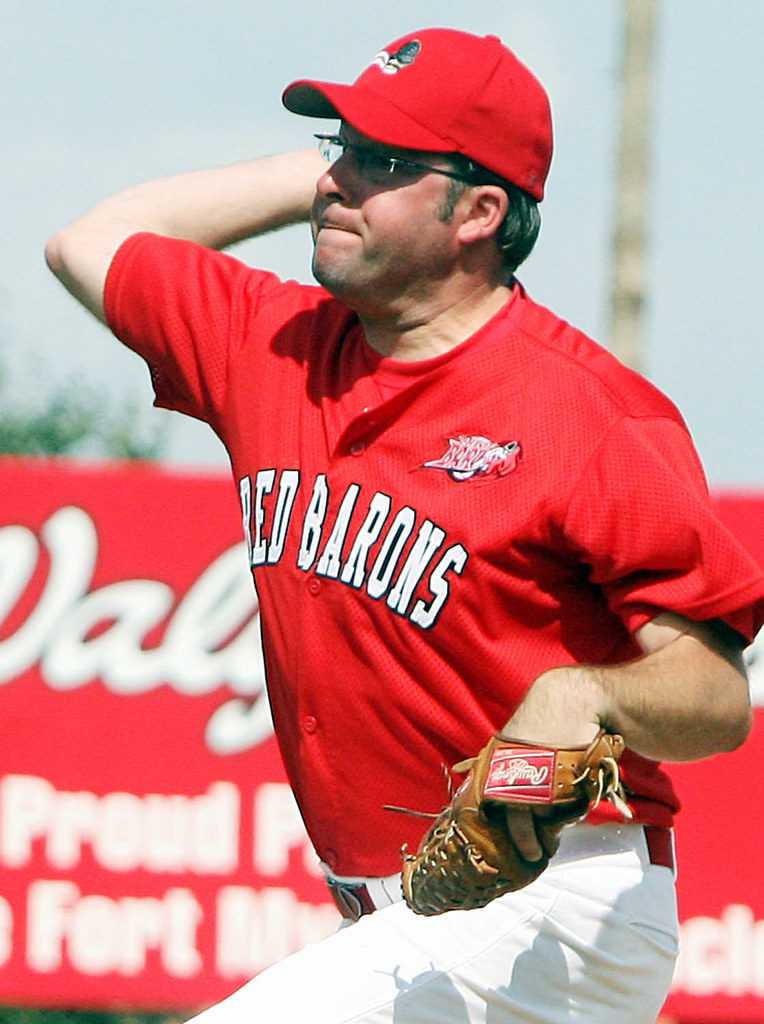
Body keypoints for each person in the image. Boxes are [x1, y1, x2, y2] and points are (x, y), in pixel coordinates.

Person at [46, 26, 764, 1024]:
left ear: (478, 212)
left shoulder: (589, 415)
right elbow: (89, 243)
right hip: (393, 929)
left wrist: (583, 695)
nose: (338, 180)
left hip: (558, 902)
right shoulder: (276, 346)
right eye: (338, 148)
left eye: (380, 161)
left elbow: (714, 697)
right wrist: (335, 169)